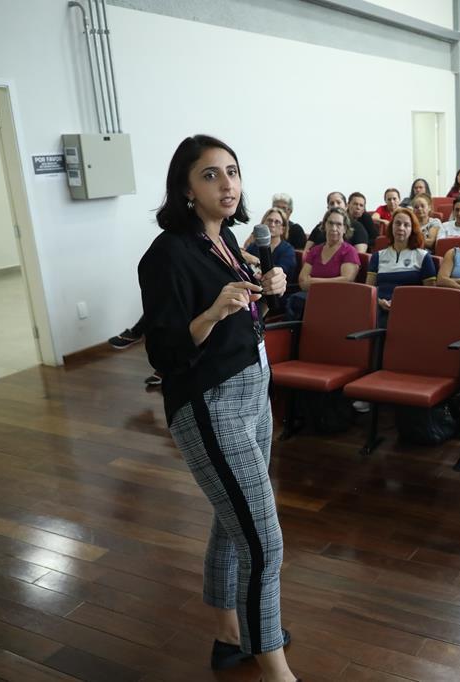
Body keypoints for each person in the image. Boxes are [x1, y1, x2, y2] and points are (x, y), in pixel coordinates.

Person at [137, 135, 298, 681]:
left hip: (254, 393)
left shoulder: (225, 238)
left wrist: (267, 286)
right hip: (210, 403)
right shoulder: (166, 255)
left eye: (232, 171)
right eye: (210, 175)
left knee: (234, 524)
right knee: (264, 540)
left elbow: (241, 308)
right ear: (185, 187)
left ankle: (230, 634)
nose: (227, 183)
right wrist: (210, 312)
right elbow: (163, 353)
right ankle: (272, 665)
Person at [367, 206, 437, 328]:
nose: (401, 228)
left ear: (413, 229)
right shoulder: (377, 256)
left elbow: (430, 295)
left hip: (411, 310)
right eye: (397, 223)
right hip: (380, 310)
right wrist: (379, 302)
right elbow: (368, 291)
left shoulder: (423, 256)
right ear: (391, 227)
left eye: (406, 225)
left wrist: (402, 304)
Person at [286, 207, 361, 320]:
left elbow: (346, 281)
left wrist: (314, 281)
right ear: (325, 225)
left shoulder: (349, 251)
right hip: (312, 297)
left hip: (337, 299)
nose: (334, 228)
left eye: (339, 224)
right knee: (294, 300)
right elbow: (302, 281)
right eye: (330, 223)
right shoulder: (315, 251)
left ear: (345, 228)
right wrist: (322, 283)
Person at [243, 207, 297, 313]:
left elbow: (277, 274)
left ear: (283, 229)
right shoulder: (253, 246)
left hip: (276, 297)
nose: (272, 224)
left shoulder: (288, 250)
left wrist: (254, 261)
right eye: (269, 220)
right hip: (252, 291)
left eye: (277, 222)